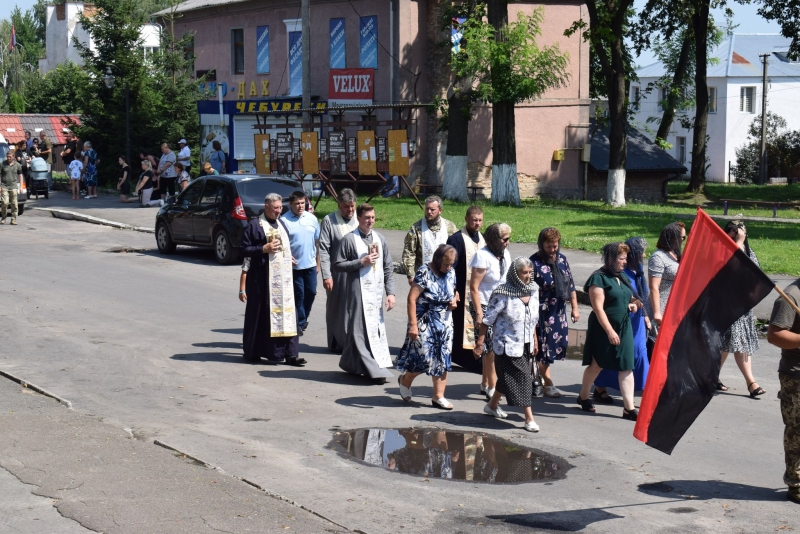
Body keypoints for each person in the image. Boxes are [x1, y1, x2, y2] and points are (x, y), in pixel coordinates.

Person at [332, 203, 396, 384]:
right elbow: (337, 265)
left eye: (373, 218)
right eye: (366, 218)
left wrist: (390, 293)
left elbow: (388, 267)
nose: (370, 221)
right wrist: (360, 262)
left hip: (375, 294)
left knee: (371, 329)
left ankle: (351, 364)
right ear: (358, 219)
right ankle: (374, 370)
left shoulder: (380, 239)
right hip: (358, 292)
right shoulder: (349, 239)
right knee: (360, 329)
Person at [577, 243, 642, 420]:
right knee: (597, 364)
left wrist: (633, 304)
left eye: (626, 258)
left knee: (627, 366)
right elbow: (598, 309)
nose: (625, 262)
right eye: (621, 259)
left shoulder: (621, 276)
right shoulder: (598, 279)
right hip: (603, 328)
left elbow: (631, 297)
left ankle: (629, 409)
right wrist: (609, 331)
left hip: (624, 326)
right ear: (611, 259)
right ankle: (583, 396)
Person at [240, 193, 305, 366]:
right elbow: (244, 249)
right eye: (275, 208)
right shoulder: (255, 225)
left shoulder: (281, 224)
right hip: (262, 280)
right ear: (266, 206)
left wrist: (287, 256)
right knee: (263, 316)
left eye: (280, 208)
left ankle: (291, 354)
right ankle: (258, 352)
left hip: (284, 280)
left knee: (289, 314)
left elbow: (283, 246)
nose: (279, 211)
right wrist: (263, 249)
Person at [479, 257, 541, 432]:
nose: (528, 276)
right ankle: (529, 419)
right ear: (515, 274)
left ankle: (491, 406)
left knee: (508, 379)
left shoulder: (534, 290)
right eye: (524, 273)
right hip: (506, 345)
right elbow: (487, 320)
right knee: (523, 379)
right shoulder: (502, 293)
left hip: (526, 344)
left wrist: (535, 339)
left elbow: (533, 319)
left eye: (530, 272)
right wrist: (479, 343)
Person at [396, 244, 459, 409]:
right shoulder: (425, 271)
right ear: (438, 260)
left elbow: (454, 291)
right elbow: (411, 299)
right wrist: (413, 325)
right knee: (424, 357)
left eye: (451, 264)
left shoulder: (451, 272)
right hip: (425, 320)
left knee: (443, 358)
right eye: (446, 264)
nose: (449, 267)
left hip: (444, 321)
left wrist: (454, 300)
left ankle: (438, 396)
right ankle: (406, 379)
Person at [594, 237, 650, 401]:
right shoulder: (618, 273)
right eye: (641, 252)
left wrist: (646, 315)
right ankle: (600, 386)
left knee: (640, 353)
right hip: (623, 320)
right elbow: (616, 299)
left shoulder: (638, 270)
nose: (644, 255)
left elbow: (641, 296)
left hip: (637, 319)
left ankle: (646, 391)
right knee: (618, 354)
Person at [530, 227, 580, 398]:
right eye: (549, 246)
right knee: (543, 348)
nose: (552, 250)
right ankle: (547, 382)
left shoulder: (562, 260)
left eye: (555, 246)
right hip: (541, 312)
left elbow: (570, 285)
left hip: (557, 311)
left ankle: (537, 378)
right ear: (541, 244)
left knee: (553, 346)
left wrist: (574, 307)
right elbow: (527, 290)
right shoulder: (534, 263)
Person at [719, 221, 765, 398]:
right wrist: (736, 243)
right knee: (734, 342)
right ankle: (751, 382)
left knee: (732, 342)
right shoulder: (724, 250)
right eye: (731, 236)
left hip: (744, 305)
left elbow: (755, 273)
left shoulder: (748, 252)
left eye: (737, 235)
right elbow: (727, 267)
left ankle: (713, 376)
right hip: (727, 304)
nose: (734, 239)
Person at [766, 279, 800, 505]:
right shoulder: (791, 296)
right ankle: (796, 484)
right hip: (796, 377)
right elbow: (775, 335)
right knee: (798, 432)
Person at [470, 223, 513, 400]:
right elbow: (474, 287)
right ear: (494, 240)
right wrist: (479, 313)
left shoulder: (505, 254)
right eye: (505, 239)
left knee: (495, 347)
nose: (507, 243)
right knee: (489, 347)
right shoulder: (482, 256)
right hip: (485, 306)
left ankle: (485, 383)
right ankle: (492, 386)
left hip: (501, 306)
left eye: (509, 239)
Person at [446, 206, 486, 373]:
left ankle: (475, 357)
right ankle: (461, 357)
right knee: (460, 325)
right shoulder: (456, 239)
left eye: (479, 220)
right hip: (461, 290)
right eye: (474, 220)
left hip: (479, 291)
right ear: (466, 219)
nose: (477, 223)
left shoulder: (483, 239)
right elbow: (450, 267)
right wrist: (453, 290)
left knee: (478, 323)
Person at [318, 188, 359, 353]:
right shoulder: (329, 220)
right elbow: (324, 249)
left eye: (352, 206)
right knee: (337, 307)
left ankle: (354, 342)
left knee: (355, 307)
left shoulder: (359, 218)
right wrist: (327, 275)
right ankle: (336, 342)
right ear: (338, 205)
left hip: (357, 271)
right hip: (337, 273)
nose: (349, 210)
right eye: (345, 207)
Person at [281, 190, 321, 334]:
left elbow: (317, 241)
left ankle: (302, 318)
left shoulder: (312, 219)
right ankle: (299, 322)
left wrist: (318, 262)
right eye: (297, 203)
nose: (300, 206)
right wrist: (286, 256)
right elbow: (281, 244)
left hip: (310, 264)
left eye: (302, 203)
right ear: (291, 204)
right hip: (294, 266)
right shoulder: (284, 221)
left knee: (311, 292)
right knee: (299, 295)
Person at [401, 195, 458, 285]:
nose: (429, 212)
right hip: (423, 277)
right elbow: (409, 252)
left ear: (440, 210)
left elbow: (456, 251)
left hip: (445, 276)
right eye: (427, 209)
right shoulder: (416, 228)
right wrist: (410, 275)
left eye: (432, 209)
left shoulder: (450, 227)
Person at [1, 150, 23, 225]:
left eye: (10, 157)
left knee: (14, 203)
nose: (8, 158)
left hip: (13, 186)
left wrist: (21, 187)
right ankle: (3, 217)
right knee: (5, 202)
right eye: (7, 157)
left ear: (13, 157)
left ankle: (13, 219)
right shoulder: (3, 164)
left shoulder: (17, 165)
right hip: (4, 185)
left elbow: (20, 176)